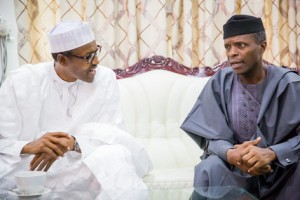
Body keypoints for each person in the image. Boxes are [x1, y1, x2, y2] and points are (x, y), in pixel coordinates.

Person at [0, 21, 152, 199]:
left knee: (114, 155)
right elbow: (3, 139)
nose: (96, 61)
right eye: (88, 56)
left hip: (79, 167)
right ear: (62, 60)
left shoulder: (105, 78)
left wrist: (74, 143)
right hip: (31, 168)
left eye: (96, 51)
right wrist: (29, 146)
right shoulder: (22, 81)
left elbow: (115, 134)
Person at [181, 14, 300, 200]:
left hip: (282, 171)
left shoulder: (289, 84)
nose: (232, 53)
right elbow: (210, 138)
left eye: (241, 45)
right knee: (210, 166)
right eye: (227, 46)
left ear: (262, 47)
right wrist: (231, 153)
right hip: (236, 171)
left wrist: (272, 153)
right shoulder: (220, 82)